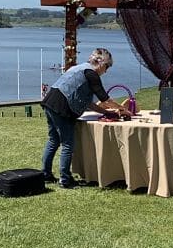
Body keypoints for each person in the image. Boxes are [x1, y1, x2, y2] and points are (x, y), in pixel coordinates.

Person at [40, 48, 131, 189]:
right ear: (101, 63)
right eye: (107, 67)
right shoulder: (92, 74)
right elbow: (105, 99)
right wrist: (123, 109)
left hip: (50, 101)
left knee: (53, 140)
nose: (106, 71)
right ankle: (65, 180)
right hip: (62, 107)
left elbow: (88, 103)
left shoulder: (80, 69)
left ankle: (45, 174)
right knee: (68, 144)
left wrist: (108, 113)